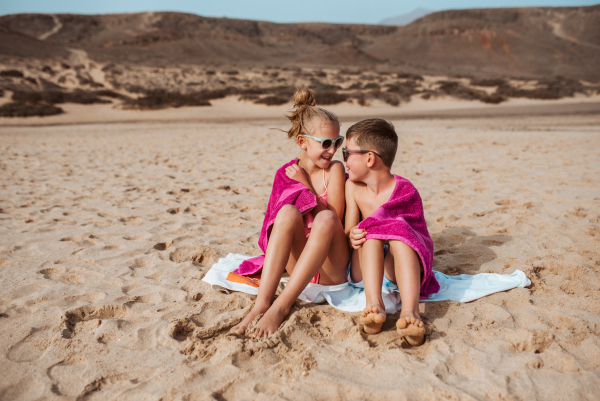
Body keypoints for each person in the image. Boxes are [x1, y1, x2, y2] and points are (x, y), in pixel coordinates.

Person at [229, 88, 349, 338]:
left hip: (330, 265)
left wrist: (306, 186)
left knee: (325, 217)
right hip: (299, 262)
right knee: (286, 212)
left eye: (337, 142)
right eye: (326, 143)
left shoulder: (334, 170)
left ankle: (280, 307)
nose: (333, 150)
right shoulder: (286, 172)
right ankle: (262, 303)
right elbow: (272, 226)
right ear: (302, 142)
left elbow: (335, 218)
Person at [344, 118, 440, 346]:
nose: (344, 159)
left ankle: (410, 312)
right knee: (369, 232)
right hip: (366, 268)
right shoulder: (353, 188)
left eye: (347, 152)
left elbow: (418, 235)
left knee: (402, 238)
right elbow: (349, 228)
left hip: (396, 268)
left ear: (369, 158)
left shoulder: (405, 190)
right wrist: (352, 234)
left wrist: (390, 231)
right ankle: (375, 304)